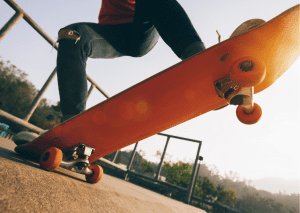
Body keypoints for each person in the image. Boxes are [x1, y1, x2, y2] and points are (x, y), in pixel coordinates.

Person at [57, 0, 206, 122]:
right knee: (71, 35)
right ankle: (73, 121)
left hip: (142, 27)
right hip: (113, 35)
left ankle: (200, 64)